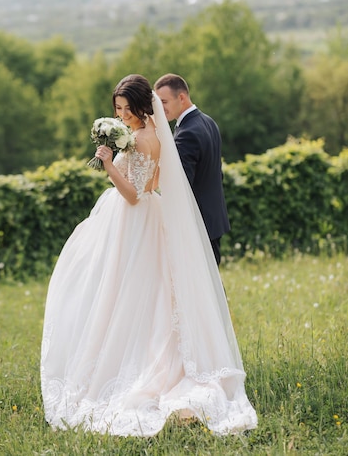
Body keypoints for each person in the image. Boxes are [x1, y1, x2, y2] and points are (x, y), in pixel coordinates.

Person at [41, 74, 257, 437]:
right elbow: (156, 183)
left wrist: (109, 163)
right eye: (118, 110)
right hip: (145, 219)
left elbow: (134, 194)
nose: (122, 115)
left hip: (132, 220)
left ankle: (121, 365)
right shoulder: (156, 134)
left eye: (127, 109)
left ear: (143, 107)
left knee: (121, 290)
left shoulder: (142, 139)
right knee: (141, 292)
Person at [154, 73, 229, 266]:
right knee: (209, 282)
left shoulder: (187, 133)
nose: (160, 109)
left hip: (197, 222)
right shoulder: (208, 121)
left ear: (181, 97)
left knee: (201, 284)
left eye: (164, 101)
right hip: (213, 217)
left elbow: (179, 184)